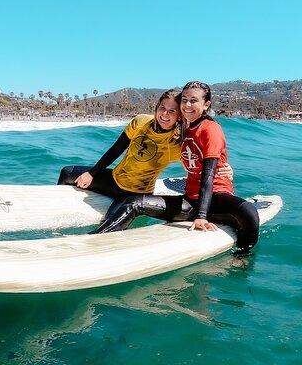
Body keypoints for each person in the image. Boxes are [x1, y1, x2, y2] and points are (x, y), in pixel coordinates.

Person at [90, 82, 259, 257]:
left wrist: (201, 215)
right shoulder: (185, 129)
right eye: (184, 100)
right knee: (134, 202)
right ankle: (95, 240)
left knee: (249, 212)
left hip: (215, 201)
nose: (187, 105)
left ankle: (242, 257)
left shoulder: (211, 129)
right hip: (190, 202)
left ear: (206, 104)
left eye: (194, 101)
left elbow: (208, 176)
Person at [58, 89, 232, 221]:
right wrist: (92, 173)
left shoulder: (177, 143)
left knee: (110, 222)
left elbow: (198, 164)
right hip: (114, 179)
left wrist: (222, 170)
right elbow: (115, 150)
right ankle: (56, 205)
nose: (165, 114)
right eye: (162, 108)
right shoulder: (140, 122)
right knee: (67, 172)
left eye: (172, 111)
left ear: (179, 117)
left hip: (135, 193)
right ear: (156, 108)